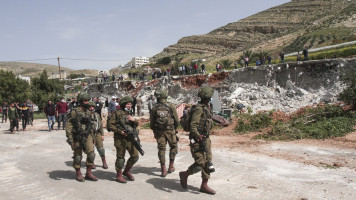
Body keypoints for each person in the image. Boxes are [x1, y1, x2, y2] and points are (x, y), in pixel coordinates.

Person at [179, 86, 216, 195]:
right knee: (200, 163)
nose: (210, 98)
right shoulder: (199, 109)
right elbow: (193, 126)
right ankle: (185, 174)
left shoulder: (207, 107)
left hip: (206, 139)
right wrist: (197, 135)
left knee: (208, 161)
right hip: (197, 139)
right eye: (209, 97)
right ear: (206, 97)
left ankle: (204, 185)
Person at [66, 93, 98, 182]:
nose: (87, 102)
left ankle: (89, 172)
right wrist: (70, 139)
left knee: (91, 154)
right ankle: (78, 173)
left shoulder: (88, 112)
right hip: (77, 136)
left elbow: (90, 126)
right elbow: (69, 126)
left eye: (88, 100)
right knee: (78, 156)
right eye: (85, 101)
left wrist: (94, 138)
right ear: (80, 101)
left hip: (88, 136)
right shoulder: (74, 112)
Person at [108, 96, 140, 183]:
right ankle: (119, 175)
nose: (129, 105)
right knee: (120, 157)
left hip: (130, 138)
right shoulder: (117, 113)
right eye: (128, 104)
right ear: (123, 104)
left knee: (135, 156)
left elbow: (135, 125)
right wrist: (120, 131)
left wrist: (134, 120)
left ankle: (126, 171)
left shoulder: (129, 113)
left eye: (130, 104)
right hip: (120, 138)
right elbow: (110, 125)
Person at [150, 90, 179, 177]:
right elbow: (177, 120)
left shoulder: (155, 107)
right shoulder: (171, 105)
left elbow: (151, 123)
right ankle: (171, 166)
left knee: (161, 149)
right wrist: (175, 129)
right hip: (170, 130)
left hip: (160, 131)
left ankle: (163, 170)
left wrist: (155, 130)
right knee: (173, 146)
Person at [88, 101, 108, 169]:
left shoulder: (97, 114)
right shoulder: (86, 115)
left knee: (101, 148)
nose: (91, 108)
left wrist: (102, 134)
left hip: (97, 133)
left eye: (92, 107)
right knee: (91, 150)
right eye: (90, 107)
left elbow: (100, 125)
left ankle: (104, 161)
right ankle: (91, 162)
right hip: (89, 134)